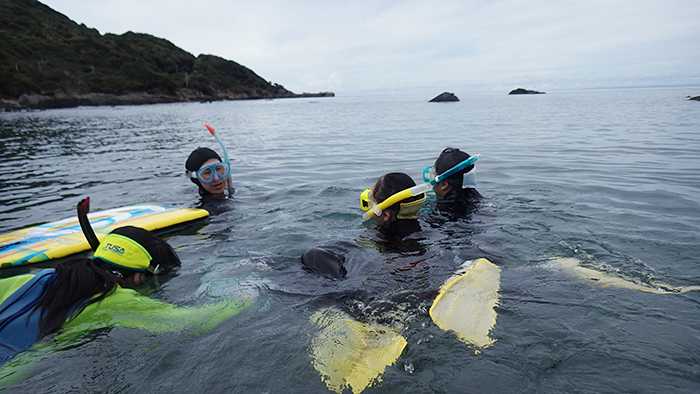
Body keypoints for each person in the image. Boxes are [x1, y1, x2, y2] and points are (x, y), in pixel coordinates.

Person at [0, 225, 249, 364]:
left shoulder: (36, 276)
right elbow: (197, 321)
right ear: (141, 276)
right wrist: (251, 287)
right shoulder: (113, 300)